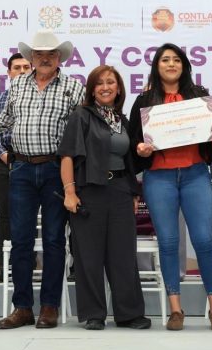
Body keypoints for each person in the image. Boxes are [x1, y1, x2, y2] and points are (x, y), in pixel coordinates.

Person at [129, 43, 212, 331]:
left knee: (204, 241)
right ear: (156, 66)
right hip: (159, 178)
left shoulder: (199, 96)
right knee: (168, 242)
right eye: (165, 60)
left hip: (196, 174)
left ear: (184, 65)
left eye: (176, 60)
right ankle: (175, 310)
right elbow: (134, 140)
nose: (171, 64)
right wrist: (140, 148)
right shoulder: (144, 100)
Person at [0, 30, 85, 329]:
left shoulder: (74, 87)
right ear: (31, 58)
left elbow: (83, 131)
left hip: (57, 170)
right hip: (20, 168)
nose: (45, 59)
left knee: (54, 240)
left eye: (50, 54)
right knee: (20, 239)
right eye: (39, 54)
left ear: (59, 57)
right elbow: (3, 122)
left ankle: (49, 307)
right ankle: (22, 308)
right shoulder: (17, 84)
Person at [58, 65, 151, 331]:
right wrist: (70, 192)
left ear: (119, 88)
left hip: (120, 189)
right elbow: (67, 156)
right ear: (91, 89)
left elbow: (130, 160)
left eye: (110, 82)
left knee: (123, 254)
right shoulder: (81, 115)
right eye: (99, 83)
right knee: (89, 255)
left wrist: (132, 190)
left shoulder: (122, 120)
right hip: (89, 189)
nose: (105, 87)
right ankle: (94, 314)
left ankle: (129, 313)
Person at [0, 53, 32, 284]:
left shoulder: (38, 98)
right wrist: (2, 154)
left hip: (31, 161)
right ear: (8, 72)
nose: (22, 71)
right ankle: (2, 267)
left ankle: (30, 264)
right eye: (17, 67)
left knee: (30, 215)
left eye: (26, 67)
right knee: (4, 215)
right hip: (2, 162)